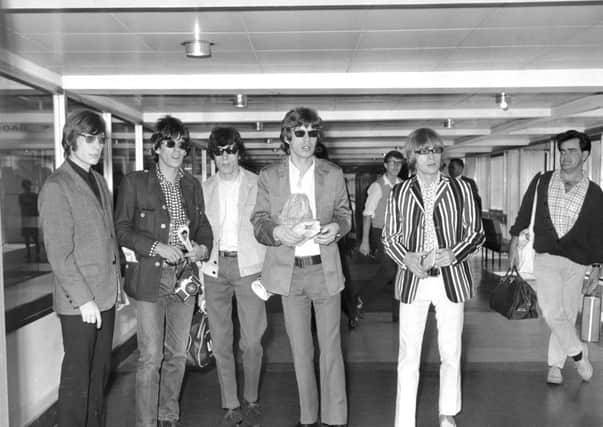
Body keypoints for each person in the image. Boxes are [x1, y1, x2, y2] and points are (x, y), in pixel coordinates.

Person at [251, 107, 351, 427]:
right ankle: (308, 418)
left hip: (324, 270)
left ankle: (335, 419)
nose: (307, 139)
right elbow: (259, 221)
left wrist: (337, 228)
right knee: (300, 351)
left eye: (312, 133)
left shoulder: (332, 173)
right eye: (300, 133)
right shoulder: (269, 176)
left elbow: (344, 215)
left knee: (331, 348)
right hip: (289, 272)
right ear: (287, 136)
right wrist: (277, 233)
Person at [115, 115, 213, 427]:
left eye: (182, 146)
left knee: (176, 355)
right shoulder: (135, 182)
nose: (177, 150)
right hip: (149, 279)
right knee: (150, 357)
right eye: (170, 144)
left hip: (184, 278)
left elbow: (203, 229)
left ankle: (167, 415)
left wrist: (201, 249)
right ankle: (146, 422)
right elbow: (121, 229)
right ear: (157, 146)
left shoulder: (191, 185)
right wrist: (157, 248)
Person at [382, 128, 484, 427]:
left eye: (436, 151)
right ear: (412, 156)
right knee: (408, 355)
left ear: (442, 155)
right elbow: (390, 237)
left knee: (451, 351)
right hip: (414, 281)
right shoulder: (400, 192)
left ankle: (447, 412)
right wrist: (406, 258)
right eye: (424, 152)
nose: (431, 158)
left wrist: (456, 252)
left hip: (450, 280)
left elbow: (476, 233)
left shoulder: (462, 189)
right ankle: (404, 420)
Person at [39, 110, 121, 427]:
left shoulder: (98, 180)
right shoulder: (57, 186)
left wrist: (116, 287)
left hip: (105, 296)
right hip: (80, 304)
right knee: (78, 381)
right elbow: (59, 253)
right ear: (71, 139)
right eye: (90, 139)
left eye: (101, 139)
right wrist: (84, 299)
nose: (97, 146)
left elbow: (107, 237)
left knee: (99, 376)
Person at [509, 129, 603, 386]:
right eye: (562, 151)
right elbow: (525, 210)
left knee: (568, 313)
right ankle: (579, 353)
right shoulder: (542, 180)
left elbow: (597, 232)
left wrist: (596, 266)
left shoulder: (594, 193)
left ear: (585, 155)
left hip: (577, 260)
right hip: (546, 256)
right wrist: (515, 238)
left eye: (572, 151)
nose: (565, 156)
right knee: (551, 310)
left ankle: (555, 366)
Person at [201, 126, 267, 427]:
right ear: (213, 156)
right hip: (214, 269)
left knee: (251, 341)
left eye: (230, 151)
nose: (224, 158)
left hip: (249, 267)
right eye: (219, 152)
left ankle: (251, 396)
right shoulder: (204, 188)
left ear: (238, 152)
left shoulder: (258, 184)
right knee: (221, 340)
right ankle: (230, 402)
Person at [359, 150, 405, 322]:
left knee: (400, 272)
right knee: (388, 271)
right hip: (381, 232)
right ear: (385, 165)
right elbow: (367, 214)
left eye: (399, 163)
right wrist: (365, 241)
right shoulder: (377, 186)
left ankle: (398, 314)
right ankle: (360, 299)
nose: (395, 166)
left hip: (399, 235)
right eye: (392, 162)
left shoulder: (402, 185)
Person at [19, 178, 40, 262]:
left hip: (32, 217)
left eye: (29, 185)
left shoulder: (34, 195)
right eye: (27, 185)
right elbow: (23, 206)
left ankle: (36, 253)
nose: (28, 187)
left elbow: (35, 206)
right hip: (27, 217)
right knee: (27, 237)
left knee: (35, 237)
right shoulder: (22, 196)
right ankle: (29, 253)